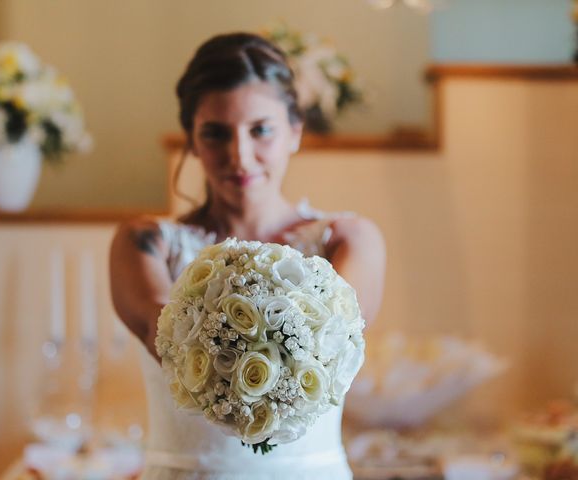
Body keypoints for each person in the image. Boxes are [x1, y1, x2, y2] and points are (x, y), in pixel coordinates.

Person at [110, 32, 386, 480]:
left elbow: (335, 339)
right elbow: (162, 336)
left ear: (295, 131)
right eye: (216, 134)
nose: (239, 156)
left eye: (260, 130)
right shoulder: (143, 244)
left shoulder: (348, 241)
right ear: (192, 141)